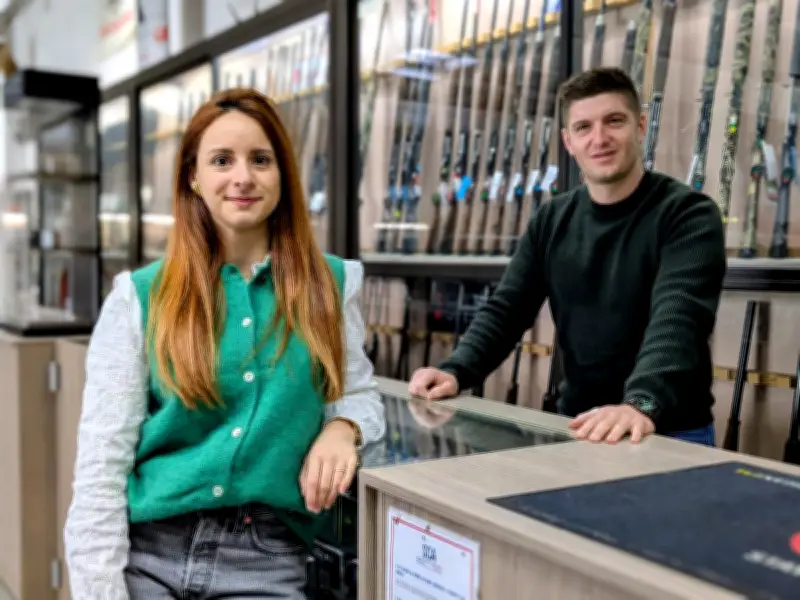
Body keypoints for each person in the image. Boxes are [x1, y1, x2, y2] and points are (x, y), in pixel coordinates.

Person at [64, 88, 386, 599]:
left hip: (265, 559)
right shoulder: (139, 298)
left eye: (261, 160)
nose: (243, 177)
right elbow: (102, 466)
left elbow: (359, 391)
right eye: (221, 160)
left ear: (283, 175)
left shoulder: (332, 284)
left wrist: (344, 427)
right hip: (149, 551)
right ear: (193, 176)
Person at [409, 67, 726, 447]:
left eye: (614, 121)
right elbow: (507, 308)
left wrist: (639, 403)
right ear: (568, 141)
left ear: (641, 126)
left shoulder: (688, 214)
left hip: (667, 429)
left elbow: (679, 317)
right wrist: (457, 370)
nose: (600, 139)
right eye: (583, 128)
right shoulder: (552, 219)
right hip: (577, 426)